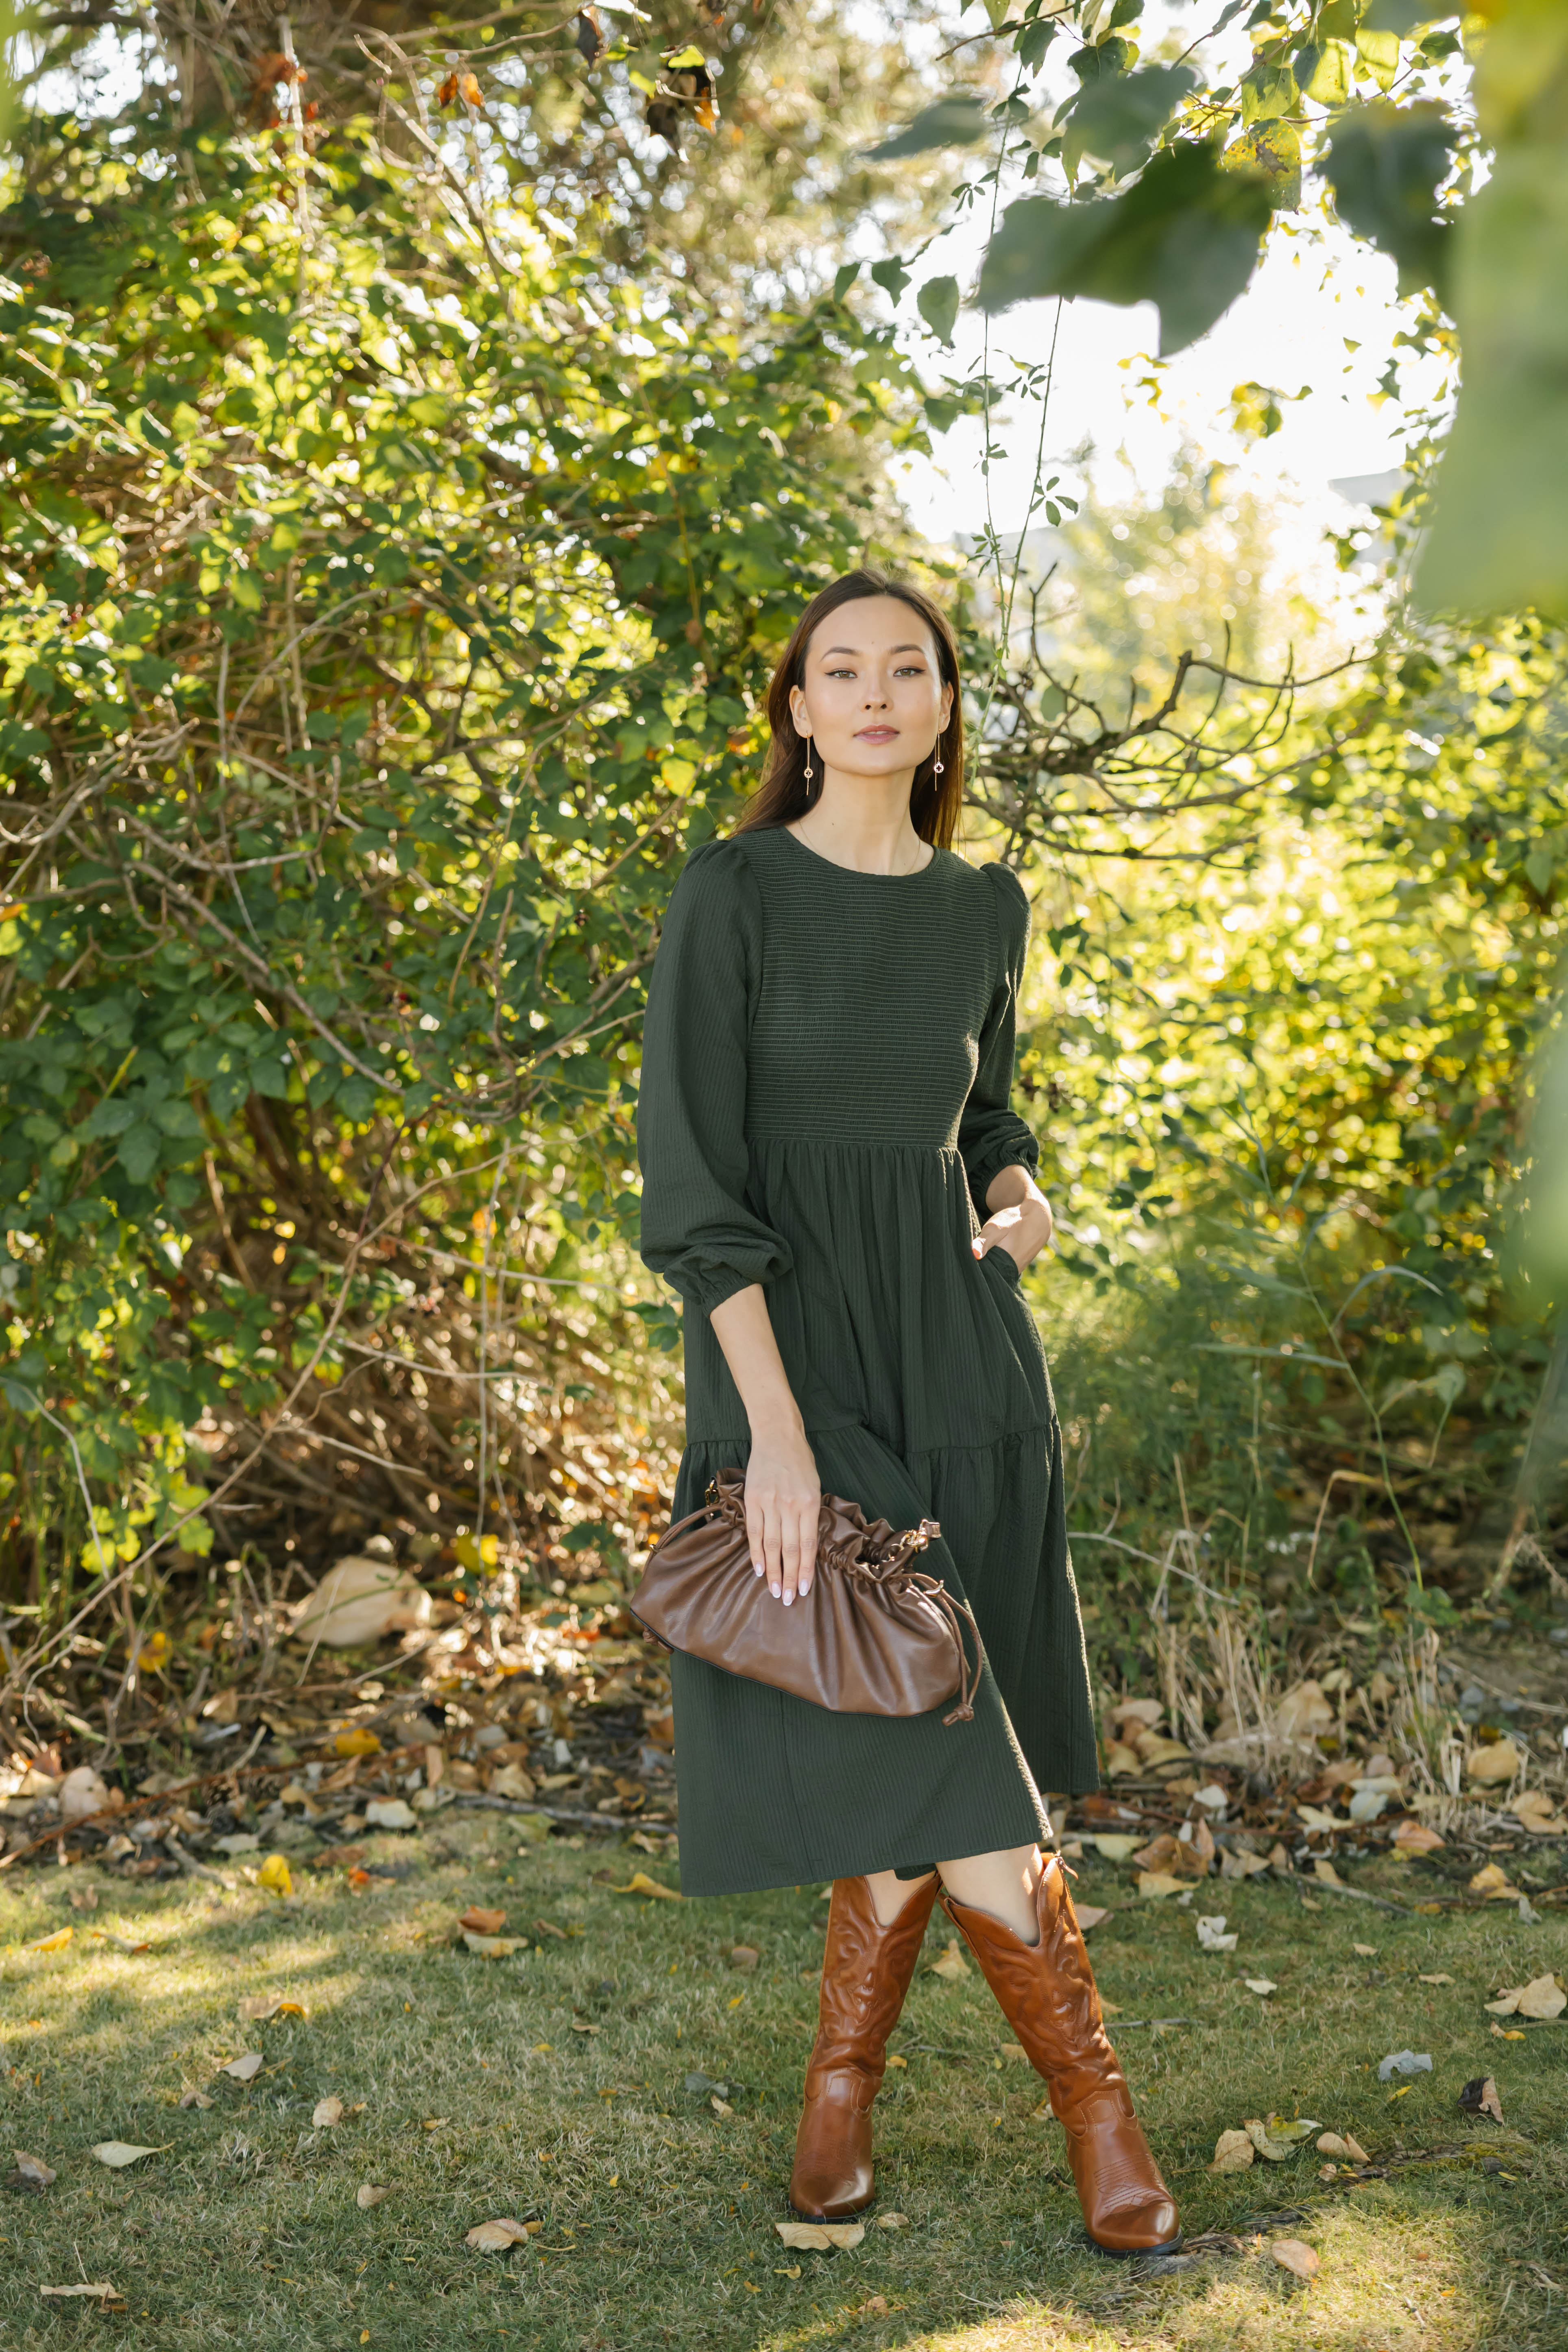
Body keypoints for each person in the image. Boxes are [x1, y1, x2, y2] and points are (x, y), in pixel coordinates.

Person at [636, 567, 1178, 2257]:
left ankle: (840, 2091)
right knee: (949, 1760)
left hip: (966, 1367)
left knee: (929, 1731)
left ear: (944, 707)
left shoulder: (984, 905)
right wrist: (772, 1437)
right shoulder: (726, 896)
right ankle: (1098, 2118)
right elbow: (692, 1183)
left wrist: (1019, 1195)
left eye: (909, 668)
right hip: (794, 1370)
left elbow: (985, 1111)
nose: (874, 692)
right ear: (798, 711)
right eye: (839, 669)